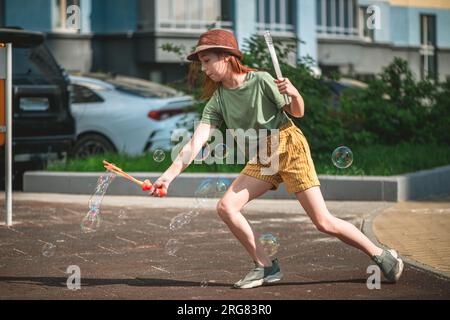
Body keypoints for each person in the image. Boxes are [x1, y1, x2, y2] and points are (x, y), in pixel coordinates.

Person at [149, 29, 403, 289]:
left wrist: (294, 93)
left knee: (323, 222)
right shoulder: (218, 100)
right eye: (201, 63)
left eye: (207, 61)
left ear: (226, 57)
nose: (204, 69)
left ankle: (382, 255)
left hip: (288, 144)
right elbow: (195, 143)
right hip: (264, 155)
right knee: (227, 207)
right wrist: (167, 177)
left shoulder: (261, 80)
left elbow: (298, 112)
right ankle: (265, 267)